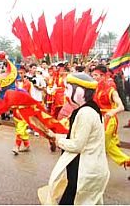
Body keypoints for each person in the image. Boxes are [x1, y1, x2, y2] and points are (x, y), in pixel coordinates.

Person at [38, 72, 110, 205]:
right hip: (86, 171)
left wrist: (58, 140)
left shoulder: (86, 113)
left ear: (80, 92)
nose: (65, 93)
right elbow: (80, 138)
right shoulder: (88, 109)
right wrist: (56, 136)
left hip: (85, 173)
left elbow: (77, 145)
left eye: (68, 89)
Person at [91, 65, 130, 168]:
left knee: (106, 145)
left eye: (96, 75)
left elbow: (121, 107)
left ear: (103, 76)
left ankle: (125, 161)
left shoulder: (111, 90)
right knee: (106, 145)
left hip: (109, 120)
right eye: (92, 75)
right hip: (100, 119)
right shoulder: (96, 88)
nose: (93, 77)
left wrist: (111, 112)